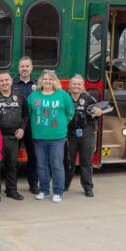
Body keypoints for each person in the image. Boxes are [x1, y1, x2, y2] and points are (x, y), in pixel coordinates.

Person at [27, 70, 75, 203]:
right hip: (39, 136)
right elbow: (30, 113)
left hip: (57, 137)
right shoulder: (33, 96)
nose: (47, 81)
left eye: (50, 79)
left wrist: (61, 125)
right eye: (44, 79)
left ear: (55, 81)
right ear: (40, 81)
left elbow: (70, 112)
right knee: (42, 165)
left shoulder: (63, 95)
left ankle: (58, 191)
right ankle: (43, 190)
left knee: (56, 164)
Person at [0, 71, 28, 201]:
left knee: (12, 165)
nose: (4, 83)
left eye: (6, 80)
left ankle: (11, 190)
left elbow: (26, 115)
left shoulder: (19, 96)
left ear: (11, 81)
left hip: (13, 138)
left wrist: (22, 129)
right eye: (1, 80)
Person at [64, 75, 102, 197]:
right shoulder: (65, 98)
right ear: (69, 86)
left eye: (79, 84)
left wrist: (99, 113)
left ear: (83, 87)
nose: (76, 86)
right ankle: (65, 185)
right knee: (68, 161)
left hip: (86, 132)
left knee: (86, 162)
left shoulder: (89, 98)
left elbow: (97, 112)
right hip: (69, 133)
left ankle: (88, 187)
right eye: (74, 84)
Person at [14, 56, 39, 194]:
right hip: (17, 125)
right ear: (19, 68)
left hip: (33, 125)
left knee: (33, 156)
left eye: (27, 66)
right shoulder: (13, 84)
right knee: (13, 157)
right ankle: (12, 186)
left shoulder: (38, 85)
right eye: (22, 66)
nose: (24, 69)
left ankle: (33, 184)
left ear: (31, 68)